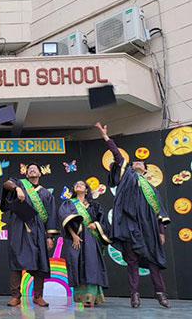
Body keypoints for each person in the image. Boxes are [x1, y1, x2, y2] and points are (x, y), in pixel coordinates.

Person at [95, 122, 171, 308]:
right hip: (129, 227)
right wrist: (106, 137)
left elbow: (158, 211)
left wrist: (161, 231)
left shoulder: (151, 189)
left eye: (140, 163)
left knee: (154, 262)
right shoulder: (127, 176)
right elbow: (118, 156)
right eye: (134, 162)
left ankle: (160, 294)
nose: (136, 163)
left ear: (145, 169)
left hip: (149, 229)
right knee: (132, 262)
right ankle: (134, 295)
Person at [1, 163, 59, 307]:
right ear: (26, 174)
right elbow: (6, 184)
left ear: (40, 173)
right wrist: (17, 188)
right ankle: (15, 296)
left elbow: (51, 216)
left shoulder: (46, 194)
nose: (32, 170)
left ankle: (38, 296)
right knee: (16, 260)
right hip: (19, 227)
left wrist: (49, 237)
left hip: (38, 231)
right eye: (29, 169)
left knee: (39, 261)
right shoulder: (20, 184)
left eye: (35, 169)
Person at [59, 180, 111, 307]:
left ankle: (92, 297)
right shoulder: (69, 203)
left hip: (92, 238)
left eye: (81, 184)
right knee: (78, 265)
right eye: (76, 184)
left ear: (87, 190)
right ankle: (82, 297)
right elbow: (65, 220)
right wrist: (74, 236)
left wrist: (96, 225)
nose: (78, 185)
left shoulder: (95, 206)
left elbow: (103, 222)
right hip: (76, 238)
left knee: (92, 265)